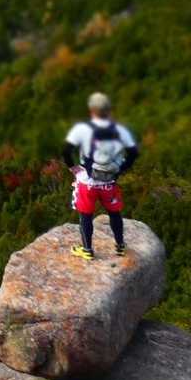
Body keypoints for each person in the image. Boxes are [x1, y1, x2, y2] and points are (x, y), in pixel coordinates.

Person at [63, 92, 138, 261]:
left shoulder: (82, 129)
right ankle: (120, 246)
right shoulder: (120, 130)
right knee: (114, 213)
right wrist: (120, 170)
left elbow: (66, 151)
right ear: (109, 110)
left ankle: (87, 249)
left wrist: (72, 167)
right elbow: (133, 153)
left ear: (92, 111)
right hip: (109, 182)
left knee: (85, 215)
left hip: (86, 182)